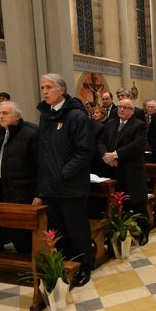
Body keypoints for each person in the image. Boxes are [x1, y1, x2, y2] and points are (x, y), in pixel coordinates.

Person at [35, 73, 96, 287]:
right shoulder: (46, 115)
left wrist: (64, 172)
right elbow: (44, 153)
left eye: (49, 87)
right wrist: (41, 189)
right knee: (58, 231)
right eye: (43, 87)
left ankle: (84, 267)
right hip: (51, 187)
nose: (44, 92)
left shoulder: (76, 116)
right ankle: (67, 264)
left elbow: (85, 151)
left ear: (62, 90)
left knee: (77, 230)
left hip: (71, 186)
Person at [0, 102, 39, 253]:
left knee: (23, 231)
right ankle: (23, 263)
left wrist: (40, 193)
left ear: (18, 116)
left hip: (24, 190)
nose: (1, 116)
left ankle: (33, 266)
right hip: (2, 188)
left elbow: (41, 167)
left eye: (6, 113)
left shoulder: (31, 134)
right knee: (12, 229)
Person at [98, 98, 151, 245]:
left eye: (125, 108)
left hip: (131, 170)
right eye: (120, 107)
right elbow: (101, 142)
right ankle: (121, 233)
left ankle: (144, 232)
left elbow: (136, 146)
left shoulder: (139, 125)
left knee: (138, 203)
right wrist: (106, 156)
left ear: (132, 111)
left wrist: (115, 155)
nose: (121, 109)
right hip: (113, 169)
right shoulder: (110, 123)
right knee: (119, 204)